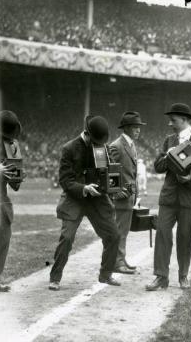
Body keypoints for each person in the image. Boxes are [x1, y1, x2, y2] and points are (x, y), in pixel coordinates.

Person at [49, 116, 121, 291]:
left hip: (96, 199)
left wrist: (112, 169)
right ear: (87, 134)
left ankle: (106, 274)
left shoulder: (102, 148)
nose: (98, 144)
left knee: (113, 235)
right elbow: (65, 180)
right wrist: (84, 188)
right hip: (75, 198)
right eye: (95, 141)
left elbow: (107, 178)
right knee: (67, 238)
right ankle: (55, 277)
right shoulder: (69, 148)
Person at [146, 103, 191, 291]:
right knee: (163, 234)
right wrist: (167, 157)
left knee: (185, 237)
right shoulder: (169, 140)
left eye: (173, 120)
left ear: (184, 119)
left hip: (189, 198)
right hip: (169, 197)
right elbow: (157, 167)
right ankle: (161, 277)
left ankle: (183, 276)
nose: (170, 123)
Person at [109, 111, 146, 274]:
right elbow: (110, 171)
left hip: (129, 196)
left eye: (139, 127)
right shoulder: (117, 146)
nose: (138, 130)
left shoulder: (130, 144)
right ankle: (117, 262)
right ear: (127, 128)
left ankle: (120, 259)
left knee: (123, 230)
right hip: (121, 197)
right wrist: (116, 192)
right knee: (119, 230)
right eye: (135, 127)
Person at [0, 110, 23, 292]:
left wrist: (18, 176)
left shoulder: (11, 145)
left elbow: (15, 185)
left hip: (1, 200)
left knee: (3, 240)